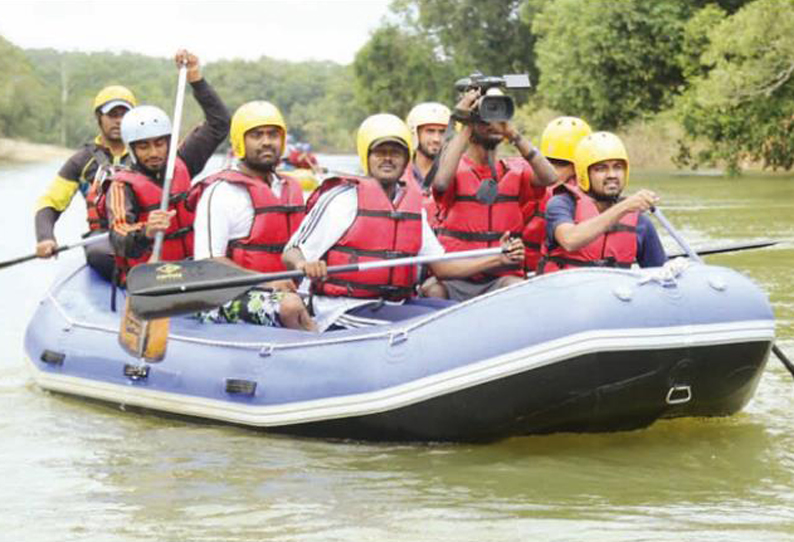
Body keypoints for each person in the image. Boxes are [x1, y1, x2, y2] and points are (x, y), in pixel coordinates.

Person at [282, 113, 524, 332]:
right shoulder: (341, 199)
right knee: (442, 325)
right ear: (367, 156)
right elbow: (291, 252)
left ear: (406, 158)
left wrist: (499, 258)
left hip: (395, 303)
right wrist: (304, 264)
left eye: (395, 152)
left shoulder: (410, 205)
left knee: (456, 314)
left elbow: (441, 268)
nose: (388, 159)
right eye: (380, 152)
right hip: (344, 308)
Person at [188, 101, 315, 331]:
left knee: (313, 300)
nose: (266, 141)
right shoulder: (220, 192)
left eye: (273, 135)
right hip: (224, 297)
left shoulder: (289, 187)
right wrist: (267, 282)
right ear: (240, 142)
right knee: (290, 307)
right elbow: (208, 263)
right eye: (256, 135)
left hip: (283, 291)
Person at [105, 49, 230, 283]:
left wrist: (196, 78)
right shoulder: (122, 185)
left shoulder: (182, 160)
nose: (153, 153)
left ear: (168, 142)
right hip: (152, 276)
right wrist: (146, 230)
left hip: (192, 267)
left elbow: (220, 123)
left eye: (159, 143)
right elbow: (119, 234)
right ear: (131, 149)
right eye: (143, 147)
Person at [426, 89, 558, 300]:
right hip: (456, 278)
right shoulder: (454, 171)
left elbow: (551, 178)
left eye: (498, 113)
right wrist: (467, 124)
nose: (492, 121)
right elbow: (440, 183)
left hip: (500, 279)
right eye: (485, 115)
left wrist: (513, 134)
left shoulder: (517, 172)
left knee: (518, 288)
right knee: (433, 290)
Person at [33, 85, 137, 281]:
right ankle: (130, 283)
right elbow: (50, 202)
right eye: (112, 114)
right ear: (99, 117)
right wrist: (45, 237)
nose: (118, 120)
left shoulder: (146, 152)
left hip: (140, 233)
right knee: (98, 254)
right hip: (104, 238)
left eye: (124, 114)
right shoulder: (81, 161)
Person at [538, 131, 666, 273]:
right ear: (584, 174)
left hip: (614, 293)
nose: (611, 175)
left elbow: (661, 276)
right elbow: (569, 240)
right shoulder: (561, 204)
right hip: (564, 292)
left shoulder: (641, 224)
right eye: (601, 169)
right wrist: (624, 207)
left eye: (618, 167)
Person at [521, 116, 592, 271]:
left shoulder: (597, 200)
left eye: (562, 164)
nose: (552, 172)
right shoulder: (525, 188)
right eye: (548, 162)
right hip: (524, 276)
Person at [404, 102, 451, 228]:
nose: (436, 139)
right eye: (430, 131)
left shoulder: (455, 173)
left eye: (442, 132)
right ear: (415, 133)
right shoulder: (399, 174)